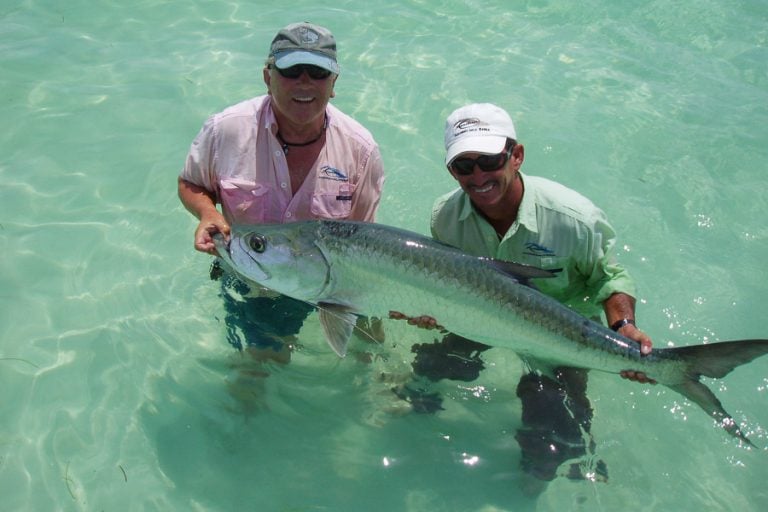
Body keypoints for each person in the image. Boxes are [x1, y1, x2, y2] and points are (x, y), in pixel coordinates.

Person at [395, 103, 653, 493]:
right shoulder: (445, 217)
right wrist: (429, 311)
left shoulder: (573, 218)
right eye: (464, 166)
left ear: (516, 156)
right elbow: (442, 282)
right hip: (481, 313)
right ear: (451, 171)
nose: (478, 176)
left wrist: (624, 327)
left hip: (561, 328)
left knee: (552, 424)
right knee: (430, 366)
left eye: (490, 160)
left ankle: (543, 475)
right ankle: (413, 425)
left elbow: (609, 277)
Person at [178, 22, 385, 356]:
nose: (305, 83)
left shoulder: (361, 150)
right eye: (292, 70)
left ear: (333, 84)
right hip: (251, 277)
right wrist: (207, 213)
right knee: (256, 370)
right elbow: (191, 183)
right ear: (267, 76)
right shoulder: (225, 130)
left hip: (329, 281)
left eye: (318, 73)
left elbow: (362, 239)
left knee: (372, 352)